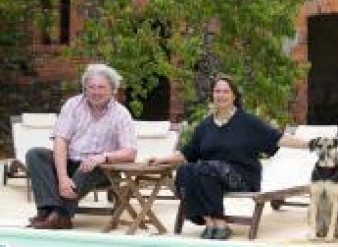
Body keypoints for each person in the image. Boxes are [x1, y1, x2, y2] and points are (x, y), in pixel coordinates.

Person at [148, 74, 309, 240]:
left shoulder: (248, 122)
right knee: (186, 170)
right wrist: (161, 159)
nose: (221, 95)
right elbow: (186, 154)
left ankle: (220, 221)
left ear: (234, 96)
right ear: (212, 95)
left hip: (243, 176)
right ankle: (209, 221)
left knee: (206, 169)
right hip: (210, 175)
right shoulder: (205, 126)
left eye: (226, 91)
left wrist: (309, 144)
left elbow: (278, 138)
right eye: (217, 91)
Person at [26, 63, 137, 229]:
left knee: (88, 165)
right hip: (70, 163)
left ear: (113, 89)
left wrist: (103, 156)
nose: (96, 92)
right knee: (35, 154)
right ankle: (48, 211)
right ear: (85, 88)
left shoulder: (121, 114)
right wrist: (63, 177)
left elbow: (130, 152)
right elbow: (61, 140)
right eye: (91, 87)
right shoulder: (73, 105)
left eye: (101, 87)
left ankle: (61, 215)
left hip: (100, 169)